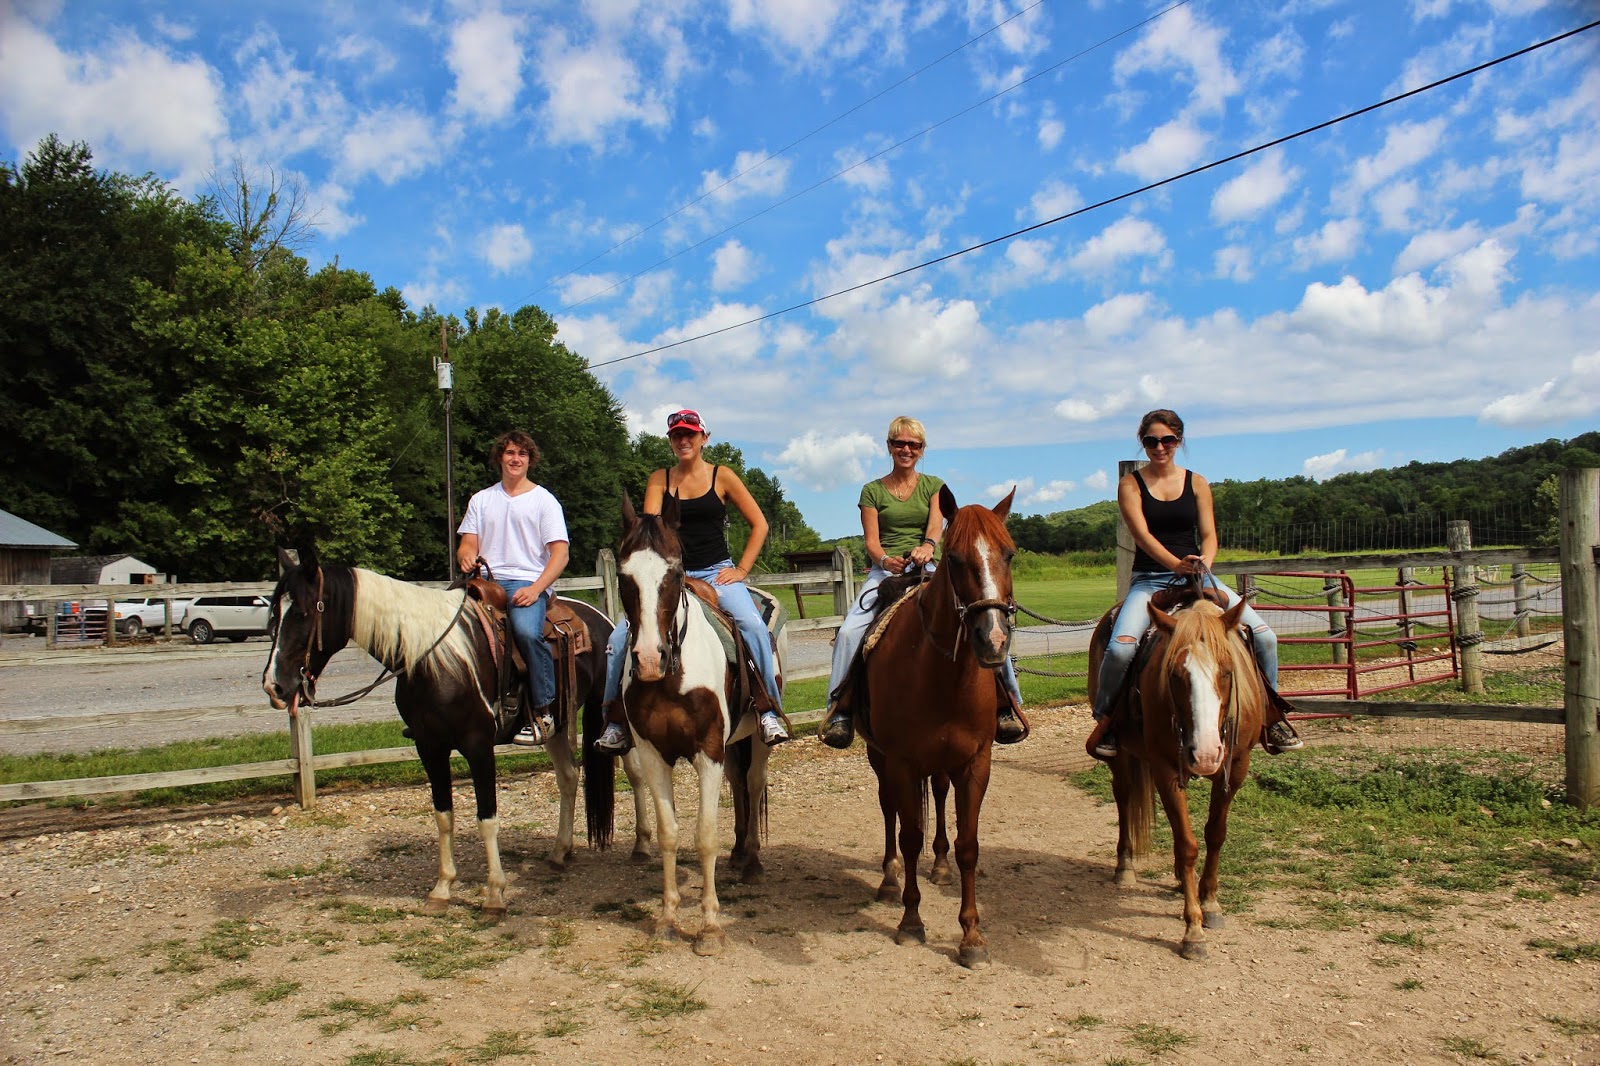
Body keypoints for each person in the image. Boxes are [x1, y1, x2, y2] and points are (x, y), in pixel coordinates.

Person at [1090, 409, 1302, 758]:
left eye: (1167, 440)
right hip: (1150, 579)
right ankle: (1107, 721)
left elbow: (1209, 534)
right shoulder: (1131, 485)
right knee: (1120, 649)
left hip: (1199, 575)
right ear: (1143, 443)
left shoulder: (1197, 482)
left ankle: (1270, 716)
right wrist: (1174, 564)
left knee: (1265, 637)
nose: (1160, 447)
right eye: (1151, 441)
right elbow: (1142, 536)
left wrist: (1205, 561)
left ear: (1179, 441)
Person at [818, 416, 1027, 749]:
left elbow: (935, 528)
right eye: (900, 443)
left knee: (985, 619)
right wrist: (885, 560)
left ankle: (1007, 704)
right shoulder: (872, 491)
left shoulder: (934, 487)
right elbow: (871, 541)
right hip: (885, 572)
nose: (906, 449)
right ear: (889, 447)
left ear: (922, 449)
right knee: (849, 632)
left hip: (928, 568)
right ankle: (839, 710)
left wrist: (928, 547)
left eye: (913, 445)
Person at [593, 409, 789, 754]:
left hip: (716, 572)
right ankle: (615, 720)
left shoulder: (722, 476)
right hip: (671, 576)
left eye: (690, 434)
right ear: (671, 441)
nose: (683, 440)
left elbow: (760, 524)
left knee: (753, 627)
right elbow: (651, 533)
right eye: (677, 436)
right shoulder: (660, 479)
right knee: (618, 637)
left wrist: (742, 570)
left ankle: (768, 709)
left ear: (703, 438)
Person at [457, 430, 569, 746]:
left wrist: (536, 589)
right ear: (500, 458)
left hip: (527, 581)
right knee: (447, 628)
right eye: (509, 453)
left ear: (530, 460)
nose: (515, 459)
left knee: (526, 632)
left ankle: (544, 712)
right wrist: (466, 556)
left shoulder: (544, 500)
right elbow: (468, 543)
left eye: (522, 454)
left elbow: (560, 554)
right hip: (485, 582)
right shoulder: (481, 499)